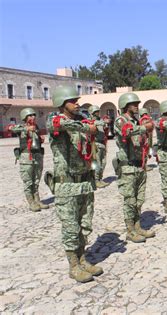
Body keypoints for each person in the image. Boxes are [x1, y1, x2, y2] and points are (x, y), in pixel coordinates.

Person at [47, 86, 102, 283]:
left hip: (84, 183)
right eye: (73, 101)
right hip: (66, 186)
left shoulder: (80, 121)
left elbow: (98, 128)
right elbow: (60, 124)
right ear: (63, 104)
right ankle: (73, 266)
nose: (77, 104)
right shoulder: (55, 120)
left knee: (84, 224)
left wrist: (91, 126)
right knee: (71, 228)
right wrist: (88, 127)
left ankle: (82, 259)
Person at [114, 92, 156, 243]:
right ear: (126, 105)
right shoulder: (120, 120)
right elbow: (127, 131)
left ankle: (137, 227)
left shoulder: (136, 120)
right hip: (128, 168)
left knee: (139, 200)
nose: (137, 106)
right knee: (130, 201)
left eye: (137, 104)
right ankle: (130, 230)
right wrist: (145, 128)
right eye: (134, 104)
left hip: (139, 166)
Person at [9, 108, 48, 212]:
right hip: (26, 158)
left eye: (34, 115)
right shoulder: (21, 127)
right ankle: (31, 202)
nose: (33, 117)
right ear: (25, 117)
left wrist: (41, 139)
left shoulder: (37, 127)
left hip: (37, 157)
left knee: (36, 180)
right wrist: (26, 129)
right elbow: (11, 128)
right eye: (30, 115)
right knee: (28, 181)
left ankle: (37, 200)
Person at [88, 105, 110, 188]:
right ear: (92, 113)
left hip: (102, 143)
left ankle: (100, 178)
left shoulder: (100, 120)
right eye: (96, 111)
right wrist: (104, 122)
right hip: (95, 144)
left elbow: (104, 127)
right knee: (97, 163)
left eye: (98, 111)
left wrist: (105, 126)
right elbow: (95, 124)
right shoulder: (91, 121)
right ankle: (96, 180)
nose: (98, 113)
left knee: (103, 163)